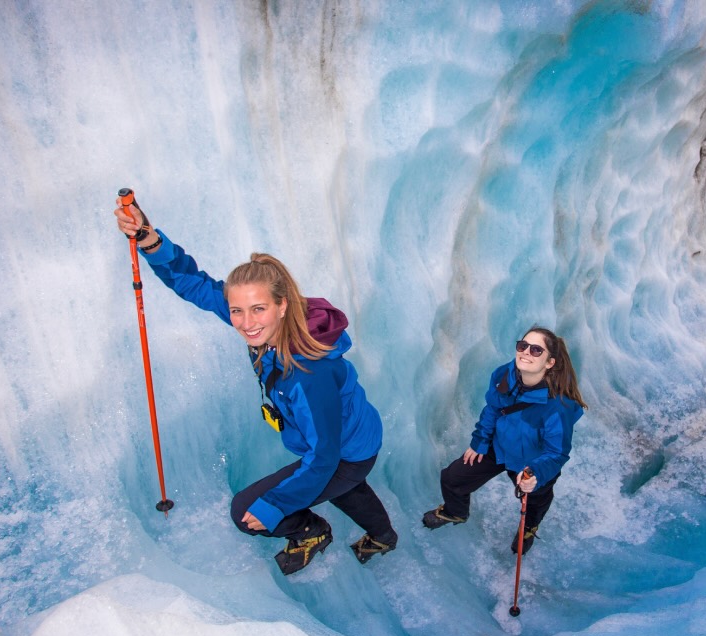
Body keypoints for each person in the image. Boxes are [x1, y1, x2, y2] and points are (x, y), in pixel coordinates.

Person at [114, 195, 398, 575]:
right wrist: (150, 240)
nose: (245, 322)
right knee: (347, 489)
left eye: (258, 309)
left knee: (246, 511)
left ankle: (313, 532)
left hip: (346, 452)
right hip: (349, 439)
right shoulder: (270, 328)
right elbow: (194, 284)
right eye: (236, 310)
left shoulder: (308, 375)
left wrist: (274, 506)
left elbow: (325, 458)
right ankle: (384, 535)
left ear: (282, 305)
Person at [422, 326, 587, 554]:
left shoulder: (557, 407)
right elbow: (493, 408)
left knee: (535, 500)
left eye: (536, 350)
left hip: (532, 461)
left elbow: (556, 452)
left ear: (550, 362)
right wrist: (480, 441)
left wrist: (536, 473)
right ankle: (456, 512)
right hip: (498, 447)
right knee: (453, 478)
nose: (526, 352)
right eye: (523, 346)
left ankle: (528, 527)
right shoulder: (503, 375)